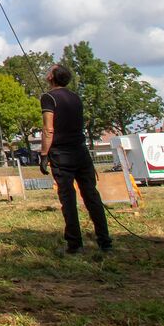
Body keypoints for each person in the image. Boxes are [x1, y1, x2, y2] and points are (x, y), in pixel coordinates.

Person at [38, 63, 111, 255]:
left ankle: (75, 244)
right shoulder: (75, 97)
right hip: (81, 151)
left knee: (68, 198)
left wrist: (44, 154)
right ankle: (105, 242)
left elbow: (48, 128)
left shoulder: (48, 98)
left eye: (49, 70)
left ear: (51, 77)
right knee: (92, 196)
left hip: (62, 154)